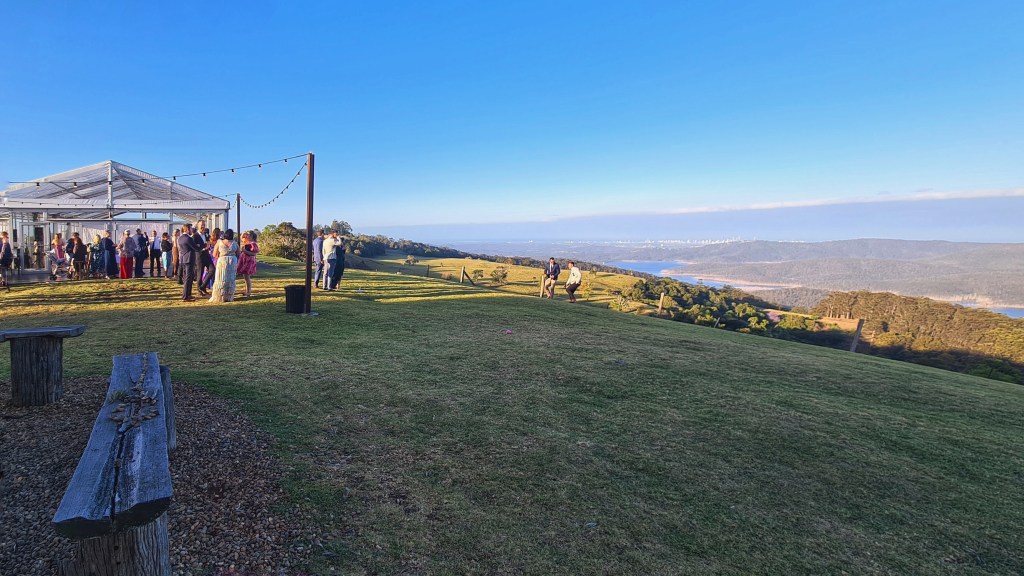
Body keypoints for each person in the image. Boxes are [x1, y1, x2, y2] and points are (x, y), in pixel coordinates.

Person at [209, 229, 239, 303]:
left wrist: (220, 257)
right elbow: (238, 253)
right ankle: (229, 297)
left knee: (221, 278)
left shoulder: (219, 242)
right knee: (230, 279)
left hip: (222, 261)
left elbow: (214, 254)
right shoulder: (235, 243)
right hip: (232, 262)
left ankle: (219, 296)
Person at [177, 223, 200, 301]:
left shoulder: (180, 238)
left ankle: (188, 294)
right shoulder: (188, 238)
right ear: (187, 229)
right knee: (188, 278)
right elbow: (196, 248)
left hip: (184, 258)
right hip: (189, 259)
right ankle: (185, 296)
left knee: (189, 277)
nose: (191, 230)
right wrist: (200, 246)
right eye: (190, 229)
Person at [236, 230, 259, 297]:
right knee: (245, 277)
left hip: (249, 261)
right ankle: (247, 290)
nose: (246, 236)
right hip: (244, 260)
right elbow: (241, 237)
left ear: (251, 236)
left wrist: (245, 251)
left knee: (247, 277)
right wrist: (244, 233)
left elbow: (254, 254)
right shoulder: (247, 242)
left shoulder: (253, 244)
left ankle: (248, 292)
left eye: (248, 235)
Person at [191, 223, 210, 297]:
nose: (203, 226)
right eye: (201, 225)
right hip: (199, 256)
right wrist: (201, 248)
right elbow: (194, 247)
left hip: (206, 254)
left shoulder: (206, 234)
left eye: (204, 225)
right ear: (198, 226)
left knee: (212, 270)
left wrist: (208, 245)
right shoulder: (195, 236)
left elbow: (208, 242)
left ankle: (203, 286)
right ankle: (199, 290)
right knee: (200, 273)